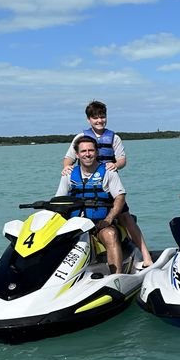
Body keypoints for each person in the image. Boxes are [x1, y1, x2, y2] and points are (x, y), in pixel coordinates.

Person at [62, 100, 153, 266]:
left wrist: (115, 165)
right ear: (89, 119)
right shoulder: (80, 138)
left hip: (108, 184)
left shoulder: (114, 138)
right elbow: (68, 158)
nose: (99, 121)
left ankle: (146, 256)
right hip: (86, 184)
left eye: (102, 117)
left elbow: (122, 160)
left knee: (125, 217)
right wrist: (67, 168)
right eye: (95, 118)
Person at [56, 135, 127, 273]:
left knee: (111, 234)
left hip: (100, 224)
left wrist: (108, 219)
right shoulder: (68, 174)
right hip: (75, 225)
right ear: (77, 154)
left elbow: (120, 198)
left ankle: (116, 277)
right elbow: (58, 201)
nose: (87, 154)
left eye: (91, 150)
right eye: (83, 151)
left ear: (96, 152)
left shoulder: (109, 172)